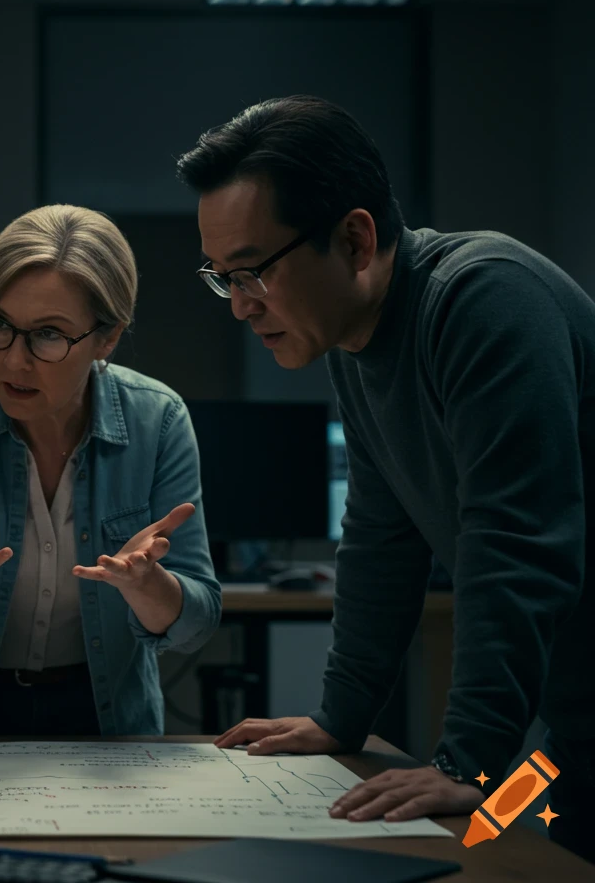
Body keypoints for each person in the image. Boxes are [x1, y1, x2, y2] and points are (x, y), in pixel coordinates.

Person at [178, 95, 594, 863]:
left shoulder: (485, 299)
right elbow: (381, 535)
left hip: (571, 730)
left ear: (356, 238)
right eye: (222, 277)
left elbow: (517, 546)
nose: (238, 306)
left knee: (513, 852)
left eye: (254, 272)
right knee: (487, 843)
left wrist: (465, 760)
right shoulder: (356, 347)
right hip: (570, 733)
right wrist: (341, 717)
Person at [0, 205, 221, 736]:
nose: (15, 361)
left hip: (107, 723)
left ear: (106, 339)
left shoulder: (159, 418)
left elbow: (196, 625)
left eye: (49, 335)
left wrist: (148, 586)